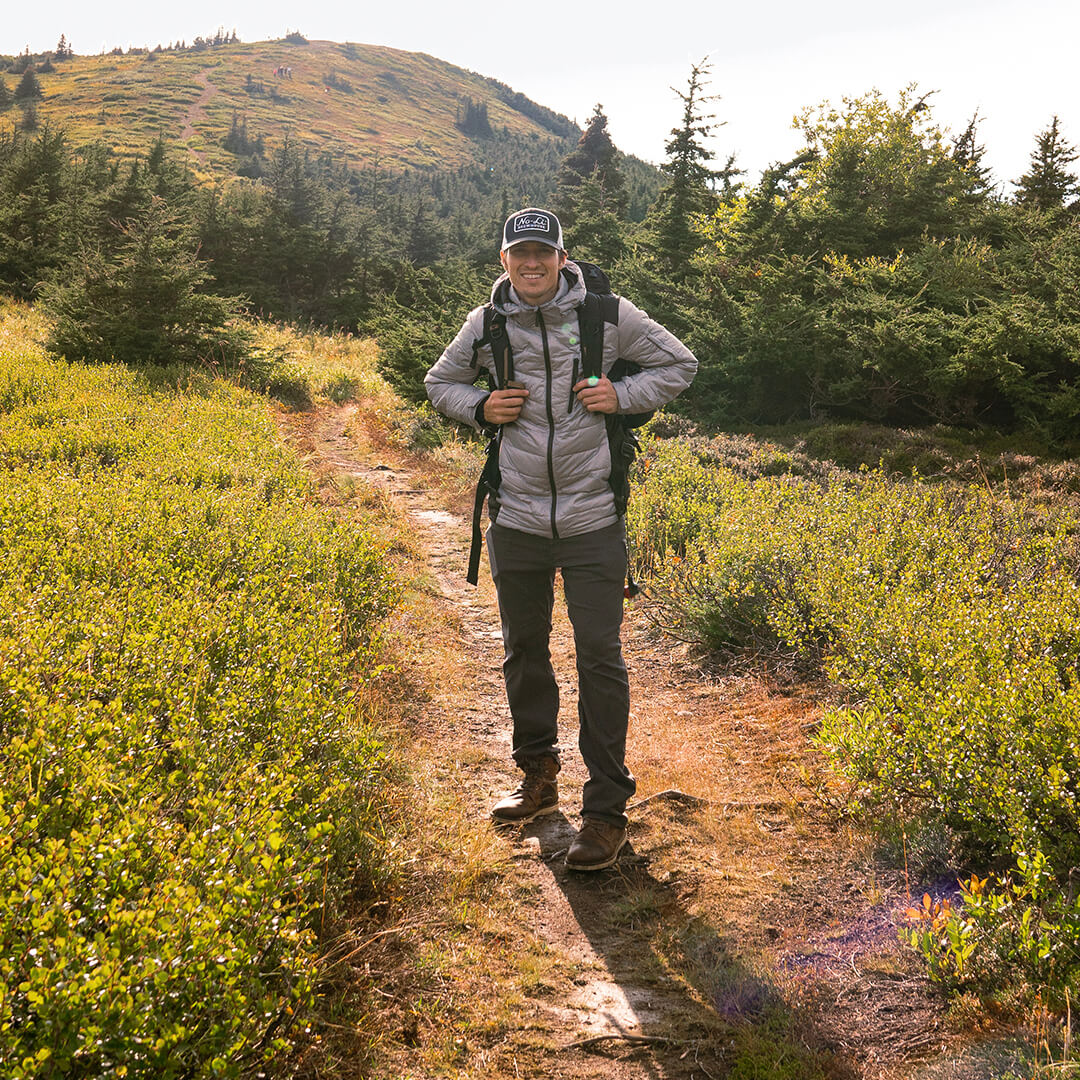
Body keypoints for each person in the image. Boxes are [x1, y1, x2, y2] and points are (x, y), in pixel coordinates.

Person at [425, 208, 696, 871]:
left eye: (542, 252)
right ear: (505, 259)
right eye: (521, 253)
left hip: (592, 519)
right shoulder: (485, 321)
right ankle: (538, 780)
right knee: (524, 650)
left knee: (600, 657)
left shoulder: (605, 314)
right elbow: (440, 384)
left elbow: (680, 364)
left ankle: (605, 814)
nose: (532, 263)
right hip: (514, 518)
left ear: (561, 256)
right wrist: (480, 406)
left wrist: (621, 394)